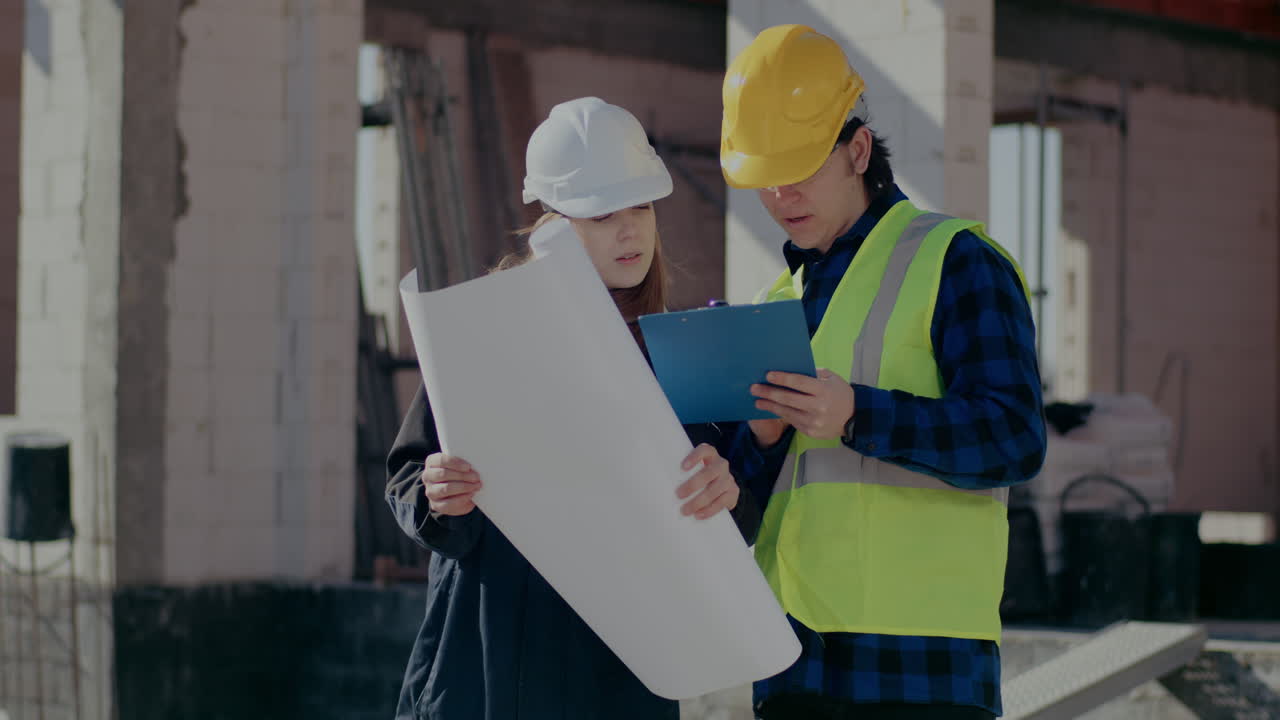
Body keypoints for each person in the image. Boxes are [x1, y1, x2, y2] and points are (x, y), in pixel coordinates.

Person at [385, 96, 764, 720]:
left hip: (616, 675)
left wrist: (728, 498)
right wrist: (435, 495)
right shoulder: (485, 335)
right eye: (603, 214)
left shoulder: (682, 355)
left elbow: (730, 526)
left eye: (641, 208)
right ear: (555, 224)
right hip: (486, 667)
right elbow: (409, 476)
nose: (630, 231)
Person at [720, 25, 1047, 720]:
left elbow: (1015, 437)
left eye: (800, 168)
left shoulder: (956, 262)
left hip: (921, 668)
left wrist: (858, 414)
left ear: (858, 150)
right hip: (794, 667)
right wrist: (761, 441)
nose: (781, 195)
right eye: (764, 178)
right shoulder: (774, 303)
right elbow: (750, 509)